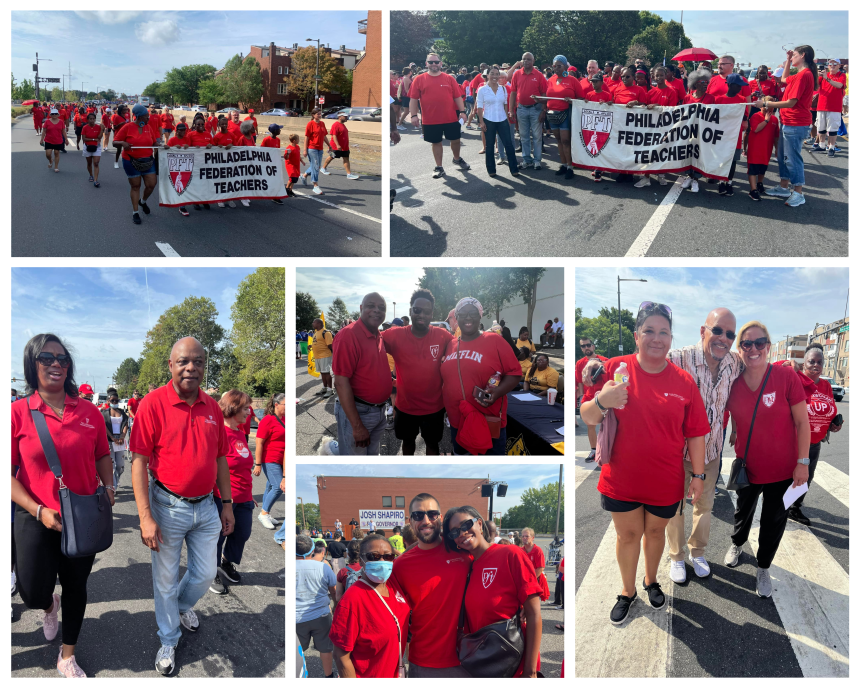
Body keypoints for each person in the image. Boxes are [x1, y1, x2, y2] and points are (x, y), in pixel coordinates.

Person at [579, 302, 710, 624]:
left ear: (671, 338)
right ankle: (627, 591)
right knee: (627, 536)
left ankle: (650, 580)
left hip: (665, 480)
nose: (657, 338)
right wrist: (601, 401)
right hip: (620, 478)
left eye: (663, 332)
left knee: (655, 533)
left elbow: (695, 434)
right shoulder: (615, 369)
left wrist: (699, 475)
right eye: (649, 331)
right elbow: (587, 416)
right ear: (637, 336)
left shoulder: (684, 381)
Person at [128, 337, 234, 675]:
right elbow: (139, 462)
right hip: (167, 505)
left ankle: (178, 607)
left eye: (199, 361)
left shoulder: (213, 407)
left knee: (204, 573)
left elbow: (220, 458)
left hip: (206, 507)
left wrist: (228, 503)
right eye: (184, 361)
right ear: (171, 365)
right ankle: (169, 637)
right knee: (164, 578)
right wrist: (144, 517)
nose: (192, 367)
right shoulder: (152, 404)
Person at [11, 334, 114, 677]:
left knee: (76, 586)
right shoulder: (17, 413)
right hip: (35, 514)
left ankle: (67, 655)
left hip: (82, 514)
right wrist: (38, 510)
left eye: (62, 358)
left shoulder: (88, 411)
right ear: (32, 364)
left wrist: (110, 485)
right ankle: (47, 605)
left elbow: (102, 453)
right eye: (46, 358)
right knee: (29, 589)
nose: (56, 364)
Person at [724, 321, 811, 598]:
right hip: (748, 468)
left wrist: (803, 463)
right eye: (746, 344)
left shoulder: (785, 377)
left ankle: (763, 567)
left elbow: (802, 423)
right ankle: (737, 543)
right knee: (742, 512)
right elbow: (728, 412)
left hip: (784, 470)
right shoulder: (732, 383)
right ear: (740, 349)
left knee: (774, 521)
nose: (753, 349)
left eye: (759, 343)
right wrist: (736, 430)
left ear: (768, 347)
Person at [658, 308, 745, 583]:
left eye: (730, 334)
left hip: (711, 452)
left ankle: (698, 552)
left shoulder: (733, 362)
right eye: (717, 330)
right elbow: (643, 362)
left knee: (704, 506)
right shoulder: (679, 358)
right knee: (675, 508)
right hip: (677, 452)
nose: (723, 338)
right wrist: (602, 371)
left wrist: (790, 368)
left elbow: (756, 367)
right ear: (702, 331)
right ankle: (677, 556)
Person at [444, 506, 542, 677]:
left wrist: (530, 671)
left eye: (466, 525)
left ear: (480, 524)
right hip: (483, 662)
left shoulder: (510, 554)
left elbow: (534, 614)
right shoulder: (466, 567)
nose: (461, 533)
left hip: (514, 661)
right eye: (454, 533)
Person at [390, 493, 471, 677]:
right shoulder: (401, 565)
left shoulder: (464, 551)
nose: (426, 520)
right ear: (410, 521)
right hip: (423, 662)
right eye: (418, 515)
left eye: (432, 514)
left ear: (440, 518)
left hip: (467, 657)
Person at [440, 297, 522, 455]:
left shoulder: (495, 340)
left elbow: (515, 373)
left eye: (473, 313)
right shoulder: (450, 345)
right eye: (463, 314)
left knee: (489, 470)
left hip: (487, 422)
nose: (468, 317)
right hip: (457, 422)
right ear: (456, 318)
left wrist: (497, 392)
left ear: (480, 316)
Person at [379, 288, 453, 456]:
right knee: (407, 443)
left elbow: (462, 352)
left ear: (432, 313)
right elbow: (370, 341)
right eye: (417, 310)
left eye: (426, 311)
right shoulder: (394, 335)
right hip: (406, 406)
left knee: (433, 445)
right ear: (411, 310)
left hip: (434, 407)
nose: (421, 315)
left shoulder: (443, 336)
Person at [330, 534, 410, 678]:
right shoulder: (352, 600)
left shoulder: (393, 584)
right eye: (373, 556)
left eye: (388, 556)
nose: (382, 561)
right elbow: (340, 656)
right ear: (361, 561)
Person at [322, 293, 391, 456]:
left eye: (381, 308)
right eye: (371, 306)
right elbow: (340, 382)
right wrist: (357, 425)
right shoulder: (348, 335)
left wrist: (389, 381)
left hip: (379, 411)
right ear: (361, 308)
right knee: (355, 461)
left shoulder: (378, 334)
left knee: (371, 457)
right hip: (360, 412)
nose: (376, 310)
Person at [777, 344, 839, 526]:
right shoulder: (796, 378)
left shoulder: (826, 386)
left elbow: (829, 410)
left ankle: (794, 508)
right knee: (786, 478)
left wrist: (833, 424)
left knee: (805, 479)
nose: (815, 365)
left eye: (819, 362)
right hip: (792, 442)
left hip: (815, 443)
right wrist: (788, 363)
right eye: (811, 361)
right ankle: (779, 508)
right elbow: (775, 369)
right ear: (804, 363)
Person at [207, 390, 256, 596]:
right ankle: (211, 572)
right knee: (218, 537)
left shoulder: (240, 432)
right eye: (245, 408)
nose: (249, 412)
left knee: (242, 534)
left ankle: (226, 563)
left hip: (245, 496)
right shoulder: (218, 433)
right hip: (223, 497)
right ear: (233, 408)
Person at [759, 46, 817, 207]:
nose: (791, 58)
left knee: (792, 159)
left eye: (795, 55)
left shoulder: (804, 75)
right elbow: (784, 79)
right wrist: (788, 61)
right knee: (782, 157)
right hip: (788, 121)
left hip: (796, 122)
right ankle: (784, 187)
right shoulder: (799, 74)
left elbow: (791, 102)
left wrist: (765, 103)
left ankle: (798, 192)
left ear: (803, 55)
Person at [408, 53, 470, 179]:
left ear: (440, 63)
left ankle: (457, 159)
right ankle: (439, 167)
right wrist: (413, 115)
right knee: (436, 142)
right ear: (426, 64)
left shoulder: (449, 78)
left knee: (456, 140)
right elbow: (413, 99)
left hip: (451, 117)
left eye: (436, 62)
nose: (434, 64)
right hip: (430, 119)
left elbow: (457, 97)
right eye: (431, 62)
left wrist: (463, 112)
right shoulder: (419, 79)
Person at [296, 534, 337, 678]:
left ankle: (299, 675)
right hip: (322, 615)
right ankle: (328, 676)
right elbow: (333, 590)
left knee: (298, 650)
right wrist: (335, 605)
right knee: (325, 648)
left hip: (297, 618)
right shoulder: (323, 567)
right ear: (312, 550)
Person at [114, 104, 158, 225]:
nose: (148, 119)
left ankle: (142, 202)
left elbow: (154, 142)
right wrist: (123, 143)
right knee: (136, 186)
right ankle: (135, 212)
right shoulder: (127, 127)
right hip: (130, 160)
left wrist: (161, 146)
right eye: (146, 117)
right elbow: (115, 142)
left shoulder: (148, 127)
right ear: (138, 117)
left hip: (148, 160)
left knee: (152, 184)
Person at [476, 66, 520, 178]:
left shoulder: (503, 89)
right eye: (492, 73)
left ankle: (514, 169)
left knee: (509, 145)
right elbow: (479, 107)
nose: (495, 76)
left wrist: (507, 119)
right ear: (487, 75)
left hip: (502, 120)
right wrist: (481, 122)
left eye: (497, 74)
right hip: (488, 120)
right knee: (490, 146)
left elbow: (505, 104)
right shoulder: (482, 89)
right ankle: (491, 170)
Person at [544, 55, 583, 179]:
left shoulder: (572, 80)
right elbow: (546, 96)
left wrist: (572, 101)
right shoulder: (550, 80)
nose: (556, 68)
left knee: (566, 141)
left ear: (565, 66)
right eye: (554, 66)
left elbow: (581, 98)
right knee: (559, 140)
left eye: (559, 66)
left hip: (566, 113)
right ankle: (563, 164)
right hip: (552, 115)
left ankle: (570, 167)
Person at [509, 52, 548, 170]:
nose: (526, 61)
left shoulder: (539, 75)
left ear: (533, 61)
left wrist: (543, 110)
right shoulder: (517, 74)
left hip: (536, 108)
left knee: (537, 136)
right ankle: (527, 159)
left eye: (529, 59)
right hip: (521, 109)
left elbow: (544, 94)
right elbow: (513, 93)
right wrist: (511, 110)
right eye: (524, 59)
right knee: (524, 136)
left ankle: (537, 160)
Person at [254, 393, 286, 529]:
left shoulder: (285, 419)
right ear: (276, 405)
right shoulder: (268, 420)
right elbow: (259, 442)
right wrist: (258, 464)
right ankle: (264, 513)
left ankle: (266, 512)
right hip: (270, 459)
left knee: (270, 486)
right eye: (286, 405)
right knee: (278, 486)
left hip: (281, 459)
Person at [713, 73, 749, 196]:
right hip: (721, 135)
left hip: (735, 136)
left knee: (732, 161)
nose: (740, 88)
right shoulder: (719, 100)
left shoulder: (742, 100)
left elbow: (744, 115)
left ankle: (729, 182)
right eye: (738, 86)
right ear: (730, 85)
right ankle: (721, 182)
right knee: (722, 159)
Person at [745, 97, 780, 201]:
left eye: (772, 106)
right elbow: (755, 129)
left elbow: (776, 136)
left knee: (763, 168)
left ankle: (759, 183)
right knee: (753, 169)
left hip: (767, 150)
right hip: (755, 149)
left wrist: (777, 148)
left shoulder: (775, 119)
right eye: (767, 106)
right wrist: (766, 120)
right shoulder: (755, 116)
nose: (769, 109)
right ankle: (753, 190)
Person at [816, 60, 847, 157]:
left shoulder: (841, 75)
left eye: (835, 64)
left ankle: (831, 148)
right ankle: (821, 145)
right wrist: (817, 76)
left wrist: (827, 78)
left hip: (834, 106)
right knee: (821, 127)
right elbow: (815, 87)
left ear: (839, 66)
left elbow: (840, 85)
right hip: (821, 105)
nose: (832, 66)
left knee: (832, 128)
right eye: (830, 64)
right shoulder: (823, 75)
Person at [299, 108, 331, 196]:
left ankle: (304, 175)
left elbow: (324, 136)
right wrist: (305, 150)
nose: (320, 115)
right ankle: (315, 185)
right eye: (318, 114)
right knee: (316, 166)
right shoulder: (310, 124)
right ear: (313, 115)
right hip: (312, 148)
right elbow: (307, 138)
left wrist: (329, 145)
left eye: (320, 114)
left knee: (317, 166)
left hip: (320, 148)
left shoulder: (322, 124)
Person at [102, 392, 129, 491]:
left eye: (116, 400)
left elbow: (125, 424)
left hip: (120, 441)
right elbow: (104, 426)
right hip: (109, 441)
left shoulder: (122, 413)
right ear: (108, 401)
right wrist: (112, 437)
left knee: (120, 466)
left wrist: (122, 436)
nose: (114, 402)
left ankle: (116, 480)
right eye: (112, 400)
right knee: (112, 465)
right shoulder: (104, 413)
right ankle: (113, 486)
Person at [321, 112, 360, 180]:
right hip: (335, 147)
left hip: (344, 147)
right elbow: (334, 135)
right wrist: (337, 145)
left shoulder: (343, 125)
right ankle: (323, 168)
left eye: (346, 116)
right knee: (331, 157)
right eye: (344, 116)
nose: (346, 117)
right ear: (340, 117)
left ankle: (349, 174)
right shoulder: (335, 125)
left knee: (346, 158)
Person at [521, 527, 550, 601]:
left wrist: (531, 581)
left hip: (534, 580)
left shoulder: (537, 550)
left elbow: (540, 568)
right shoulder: (521, 550)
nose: (524, 538)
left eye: (527, 536)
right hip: (524, 580)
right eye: (523, 536)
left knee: (532, 602)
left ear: (532, 538)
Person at [39, 109, 69, 173]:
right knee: (48, 154)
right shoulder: (47, 122)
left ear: (58, 115)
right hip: (48, 140)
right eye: (53, 114)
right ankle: (50, 160)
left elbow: (63, 131)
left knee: (56, 153)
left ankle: (56, 167)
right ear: (50, 115)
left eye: (55, 114)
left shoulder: (61, 122)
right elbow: (44, 131)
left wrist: (66, 140)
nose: (54, 115)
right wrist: (41, 139)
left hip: (58, 140)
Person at [311, 319, 334, 398]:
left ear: (319, 323)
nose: (312, 323)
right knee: (322, 372)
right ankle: (324, 388)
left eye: (314, 322)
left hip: (325, 355)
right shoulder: (316, 332)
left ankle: (330, 390)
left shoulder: (326, 332)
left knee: (327, 372)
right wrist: (311, 346)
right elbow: (317, 342)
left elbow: (330, 345)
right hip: (317, 356)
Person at [81, 112, 104, 188]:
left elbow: (99, 137)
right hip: (87, 147)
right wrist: (94, 139)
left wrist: (102, 130)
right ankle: (91, 175)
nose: (92, 120)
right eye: (90, 119)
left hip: (96, 147)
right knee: (89, 163)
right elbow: (84, 138)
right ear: (87, 120)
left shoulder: (98, 127)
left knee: (96, 163)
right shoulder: (85, 127)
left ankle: (95, 180)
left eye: (93, 119)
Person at [284, 133, 304, 198]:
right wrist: (287, 153)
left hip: (296, 165)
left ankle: (290, 190)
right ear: (294, 141)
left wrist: (302, 161)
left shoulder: (298, 147)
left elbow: (298, 156)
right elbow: (286, 158)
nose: (299, 140)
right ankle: (286, 189)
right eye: (298, 139)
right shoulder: (289, 148)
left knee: (295, 179)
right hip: (290, 165)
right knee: (292, 178)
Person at [111, 104, 131, 169]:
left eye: (126, 109)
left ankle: (127, 162)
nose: (126, 110)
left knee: (127, 148)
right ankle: (116, 162)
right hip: (119, 134)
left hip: (127, 134)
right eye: (124, 109)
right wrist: (120, 124)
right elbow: (114, 127)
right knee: (119, 149)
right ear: (121, 110)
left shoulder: (127, 115)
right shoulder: (117, 117)